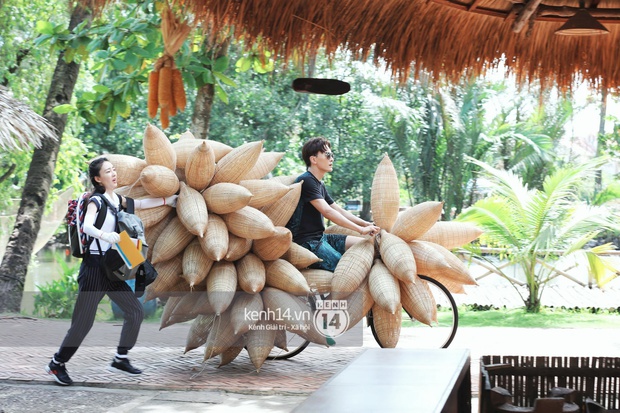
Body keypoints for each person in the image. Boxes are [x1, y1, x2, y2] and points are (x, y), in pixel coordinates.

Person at [46, 157, 178, 386]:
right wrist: (105, 235)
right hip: (93, 269)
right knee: (83, 323)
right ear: (98, 179)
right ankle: (57, 363)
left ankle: (120, 358)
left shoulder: (118, 200)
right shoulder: (96, 201)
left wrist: (169, 200)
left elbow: (141, 204)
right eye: (108, 171)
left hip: (112, 268)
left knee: (135, 312)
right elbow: (87, 226)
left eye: (114, 169)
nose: (114, 173)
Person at [286, 137, 380, 272]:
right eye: (328, 155)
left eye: (332, 155)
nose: (332, 159)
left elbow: (338, 210)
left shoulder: (319, 184)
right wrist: (360, 230)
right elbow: (328, 212)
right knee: (349, 269)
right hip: (308, 244)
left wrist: (365, 224)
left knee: (366, 245)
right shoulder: (306, 180)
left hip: (322, 238)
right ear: (314, 159)